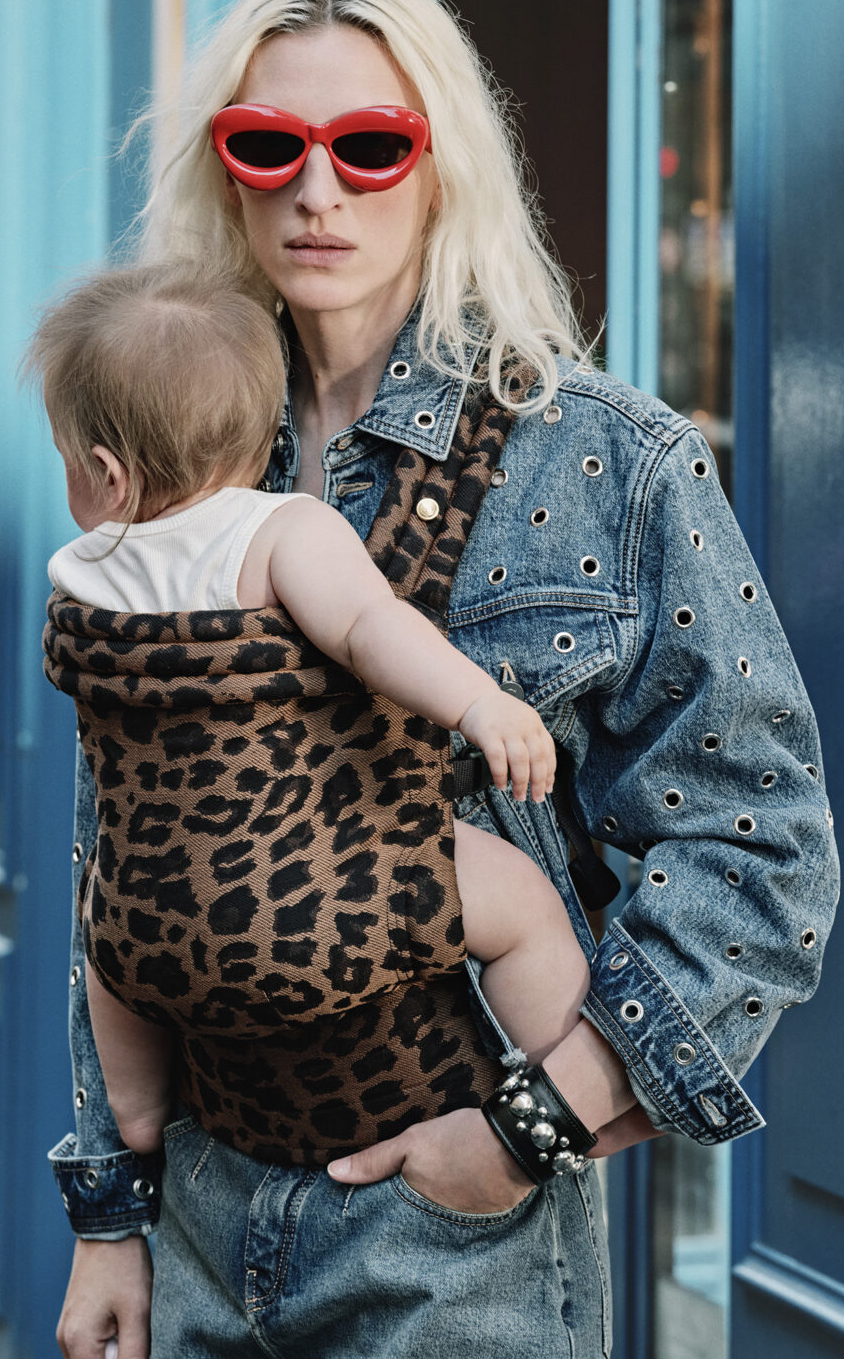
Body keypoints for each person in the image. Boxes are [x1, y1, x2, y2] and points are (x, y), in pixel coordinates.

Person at [48, 0, 840, 1359]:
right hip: (226, 1219)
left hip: (455, 1244)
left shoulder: (604, 459)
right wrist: (110, 1205)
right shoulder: (171, 448)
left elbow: (761, 848)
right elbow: (131, 856)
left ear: (440, 164)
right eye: (271, 142)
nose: (318, 188)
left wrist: (538, 1120)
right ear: (225, 170)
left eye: (370, 144)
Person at [30, 262, 590, 1164]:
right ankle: (551, 1084)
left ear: (103, 473)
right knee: (521, 904)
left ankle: (133, 1122)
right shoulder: (282, 530)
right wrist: (480, 705)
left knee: (111, 935)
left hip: (157, 918)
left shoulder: (79, 573)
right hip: (319, 896)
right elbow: (373, 629)